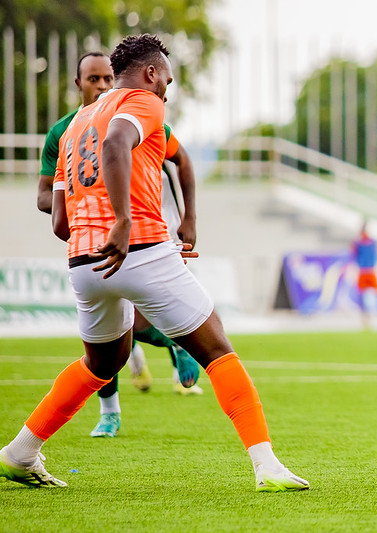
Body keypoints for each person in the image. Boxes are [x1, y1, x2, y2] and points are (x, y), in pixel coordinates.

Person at [0, 34, 308, 492]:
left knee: (102, 363)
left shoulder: (76, 122)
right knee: (216, 349)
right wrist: (124, 223)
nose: (167, 88)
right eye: (166, 78)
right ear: (150, 73)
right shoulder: (142, 102)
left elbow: (60, 219)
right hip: (139, 249)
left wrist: (98, 232)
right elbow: (116, 144)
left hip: (84, 261)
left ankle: (20, 452)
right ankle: (267, 466)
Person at [35, 52, 202, 440]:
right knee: (108, 341)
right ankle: (109, 411)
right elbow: (45, 197)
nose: (102, 86)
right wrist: (77, 201)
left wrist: (187, 218)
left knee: (130, 331)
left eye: (108, 78)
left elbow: (181, 160)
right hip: (92, 239)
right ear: (78, 83)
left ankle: (177, 345)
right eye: (93, 79)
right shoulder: (64, 131)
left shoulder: (134, 112)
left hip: (141, 237)